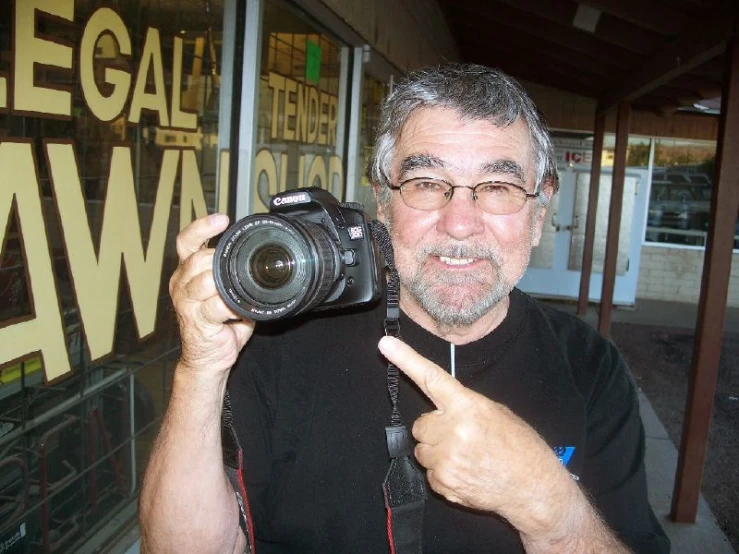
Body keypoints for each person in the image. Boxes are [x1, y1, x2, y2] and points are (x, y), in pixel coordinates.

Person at [139, 63, 670, 553]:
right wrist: (200, 369)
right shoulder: (278, 344)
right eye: (425, 184)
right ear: (382, 201)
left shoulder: (591, 370)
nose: (460, 223)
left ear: (539, 210)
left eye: (500, 187)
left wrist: (548, 504)